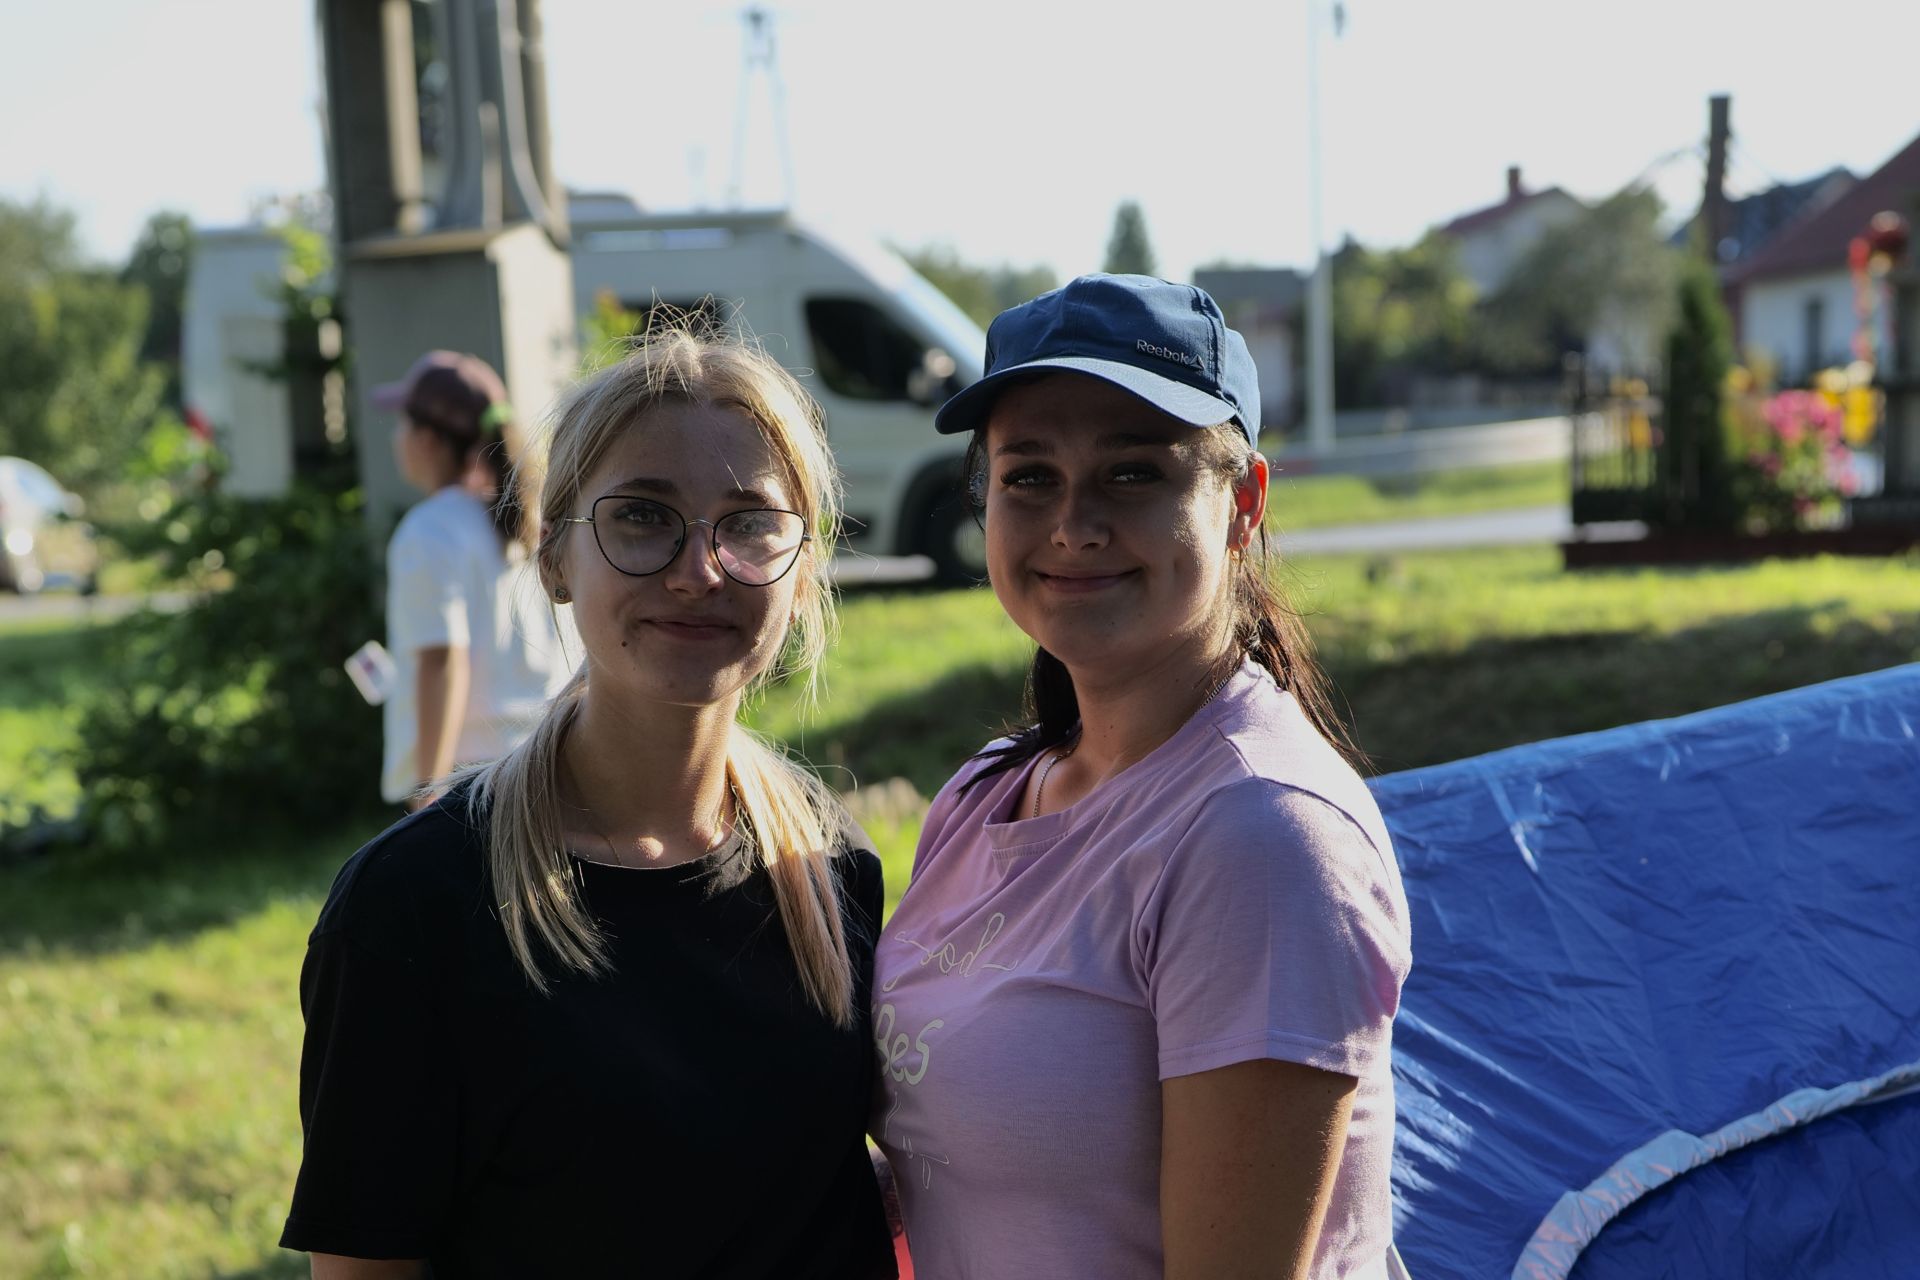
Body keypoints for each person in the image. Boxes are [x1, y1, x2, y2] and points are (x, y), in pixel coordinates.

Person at [281, 330, 898, 1279]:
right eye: (643, 516)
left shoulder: (828, 867)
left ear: (803, 568)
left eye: (748, 522)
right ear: (555, 557)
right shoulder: (416, 907)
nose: (700, 569)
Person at [871, 275, 1412, 1279]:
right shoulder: (985, 794)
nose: (1073, 524)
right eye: (1029, 476)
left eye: (1132, 473)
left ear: (1243, 502)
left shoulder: (1258, 835)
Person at [375, 350, 571, 810]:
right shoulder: (523, 518)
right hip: (546, 763)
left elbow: (442, 659)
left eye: (402, 424)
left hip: (471, 786)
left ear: (427, 439)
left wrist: (428, 790)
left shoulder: (429, 530)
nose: (395, 437)